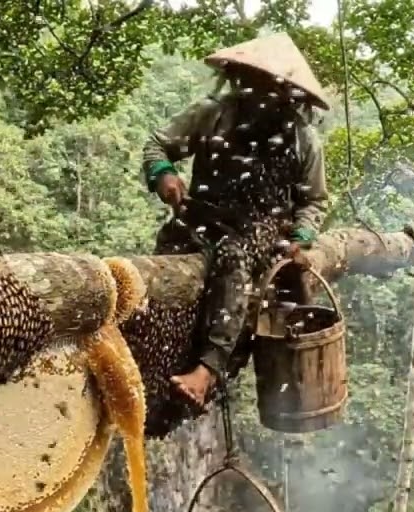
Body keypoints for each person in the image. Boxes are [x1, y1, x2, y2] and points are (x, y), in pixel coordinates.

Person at [141, 32, 330, 408]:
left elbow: (315, 200)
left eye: (271, 88)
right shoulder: (213, 113)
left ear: (288, 94)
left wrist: (303, 234)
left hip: (261, 228)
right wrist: (163, 174)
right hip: (201, 216)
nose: (262, 94)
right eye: (255, 83)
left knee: (233, 261)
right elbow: (157, 144)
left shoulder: (303, 140)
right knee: (158, 271)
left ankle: (206, 371)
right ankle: (147, 361)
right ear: (242, 77)